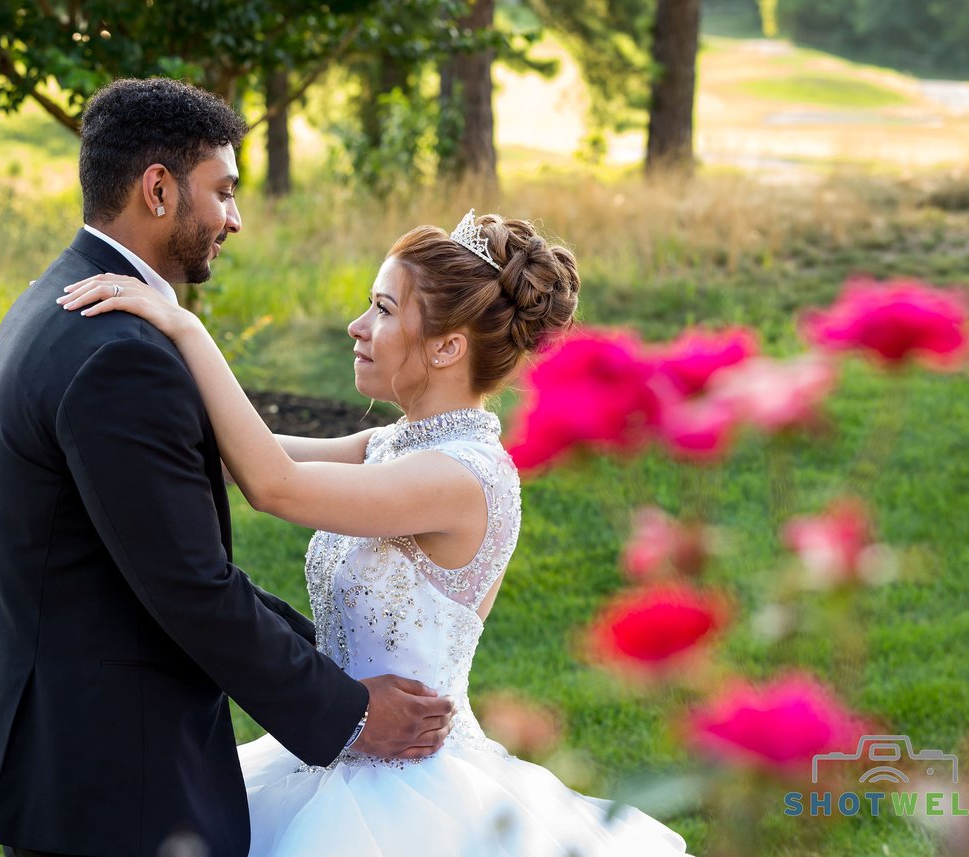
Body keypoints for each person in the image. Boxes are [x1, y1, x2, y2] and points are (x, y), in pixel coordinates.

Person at [59, 209, 690, 856]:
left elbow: (273, 484)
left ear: (448, 346)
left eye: (384, 309)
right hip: (336, 741)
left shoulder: (462, 476)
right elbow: (233, 451)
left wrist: (187, 329)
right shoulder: (390, 445)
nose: (358, 327)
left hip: (406, 779)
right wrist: (123, 393)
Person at [0, 77, 452, 857]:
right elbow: (190, 586)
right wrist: (352, 709)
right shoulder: (119, 354)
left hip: (68, 754)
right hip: (114, 777)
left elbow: (160, 558)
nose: (236, 219)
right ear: (157, 189)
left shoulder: (55, 304)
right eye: (223, 191)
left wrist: (326, 657)